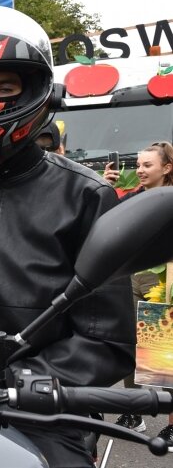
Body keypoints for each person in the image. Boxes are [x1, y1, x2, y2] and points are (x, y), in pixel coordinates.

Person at [0, 6, 135, 468]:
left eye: (4, 88)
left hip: (51, 409)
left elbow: (105, 337)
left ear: (32, 91)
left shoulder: (86, 196)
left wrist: (15, 381)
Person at [112, 141, 173, 445]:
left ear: (167, 168)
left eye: (148, 165)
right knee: (134, 348)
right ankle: (133, 414)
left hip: (162, 279)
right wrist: (108, 187)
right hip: (133, 277)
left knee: (162, 356)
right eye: (138, 165)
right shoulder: (133, 198)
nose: (140, 170)